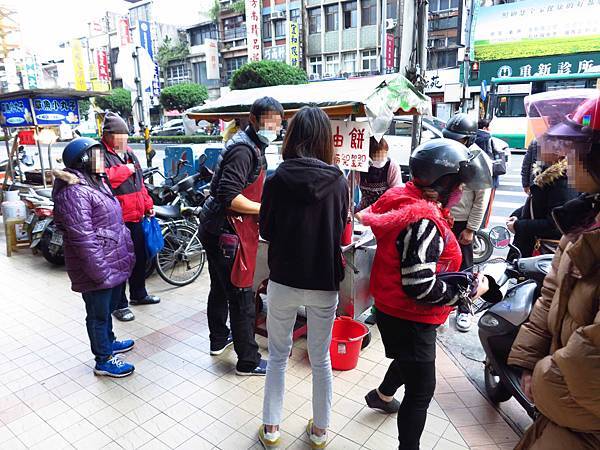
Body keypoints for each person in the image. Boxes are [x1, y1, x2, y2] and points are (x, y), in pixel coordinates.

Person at [359, 138, 491, 450]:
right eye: (458, 185)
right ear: (442, 183)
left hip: (393, 306)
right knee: (420, 392)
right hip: (410, 314)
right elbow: (419, 285)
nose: (460, 192)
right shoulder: (423, 221)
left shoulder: (402, 196)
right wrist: (465, 294)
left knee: (411, 358)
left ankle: (381, 396)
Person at [507, 90, 600, 449]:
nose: (566, 155)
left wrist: (544, 379)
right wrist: (529, 360)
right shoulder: (582, 221)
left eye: (578, 150)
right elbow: (551, 294)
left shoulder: (569, 200)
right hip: (562, 414)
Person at [257, 106, 348, 449]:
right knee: (320, 358)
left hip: (283, 281)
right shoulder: (338, 181)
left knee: (278, 355)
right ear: (326, 140)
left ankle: (270, 428)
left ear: (292, 137)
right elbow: (341, 233)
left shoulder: (276, 179)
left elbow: (265, 229)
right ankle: (321, 431)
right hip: (324, 283)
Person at [198, 96, 284, 376]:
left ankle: (219, 338)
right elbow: (229, 196)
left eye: (278, 123)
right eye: (270, 122)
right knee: (240, 295)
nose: (275, 128)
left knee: (221, 288)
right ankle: (248, 361)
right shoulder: (244, 150)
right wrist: (265, 209)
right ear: (255, 119)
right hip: (227, 230)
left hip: (217, 227)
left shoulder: (251, 145)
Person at [52, 138, 136, 377]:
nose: (102, 160)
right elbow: (83, 238)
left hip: (109, 259)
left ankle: (109, 341)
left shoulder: (95, 182)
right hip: (95, 264)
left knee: (105, 309)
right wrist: (99, 271)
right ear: (84, 160)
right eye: (97, 155)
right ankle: (104, 359)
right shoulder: (74, 192)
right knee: (98, 314)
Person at [99, 112, 160, 323]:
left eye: (125, 136)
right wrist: (124, 169)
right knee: (118, 264)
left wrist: (148, 205)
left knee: (140, 259)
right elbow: (101, 181)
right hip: (114, 220)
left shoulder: (130, 153)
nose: (123, 140)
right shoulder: (97, 154)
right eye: (119, 136)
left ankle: (139, 294)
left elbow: (140, 184)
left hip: (136, 216)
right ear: (107, 135)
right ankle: (119, 305)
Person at [442, 113, 492, 332]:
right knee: (441, 264)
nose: (453, 142)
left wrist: (471, 229)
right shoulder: (446, 151)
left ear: (469, 139)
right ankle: (443, 305)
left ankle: (464, 308)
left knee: (465, 267)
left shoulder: (479, 159)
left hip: (463, 223)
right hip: (442, 217)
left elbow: (482, 199)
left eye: (458, 138)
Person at [506, 154, 577, 258]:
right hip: (530, 246)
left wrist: (518, 226)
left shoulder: (564, 179)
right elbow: (538, 205)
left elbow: (556, 225)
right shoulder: (547, 170)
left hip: (540, 252)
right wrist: (518, 214)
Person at [352, 136, 403, 211]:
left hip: (385, 210)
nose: (380, 160)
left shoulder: (392, 166)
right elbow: (348, 187)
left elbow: (396, 192)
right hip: (364, 209)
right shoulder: (360, 165)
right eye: (376, 157)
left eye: (383, 156)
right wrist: (350, 204)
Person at [476, 118, 508, 227]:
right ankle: (482, 227)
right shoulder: (489, 139)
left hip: (476, 177)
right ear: (485, 128)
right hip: (490, 178)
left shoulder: (472, 137)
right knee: (486, 206)